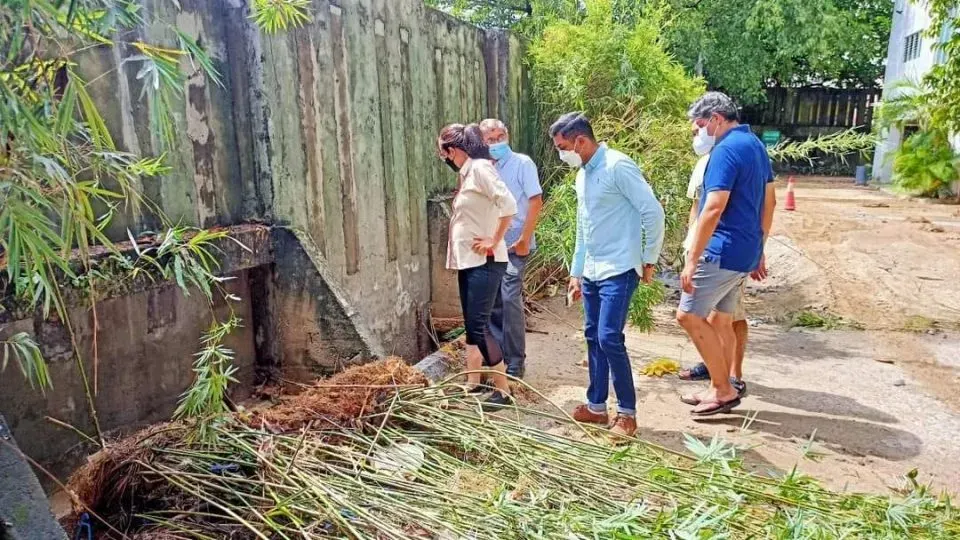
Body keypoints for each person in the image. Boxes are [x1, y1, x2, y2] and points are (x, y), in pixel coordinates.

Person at [552, 112, 665, 437]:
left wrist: (649, 258)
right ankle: (596, 407)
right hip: (592, 270)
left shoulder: (618, 166)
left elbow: (652, 211)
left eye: (563, 148)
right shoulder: (583, 176)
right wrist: (576, 272)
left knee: (609, 337)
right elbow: (583, 227)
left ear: (580, 141)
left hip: (619, 267)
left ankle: (627, 413)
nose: (562, 154)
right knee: (592, 336)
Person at [675, 92, 776, 417]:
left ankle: (722, 389)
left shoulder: (725, 150)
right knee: (722, 319)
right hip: (743, 251)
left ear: (716, 119)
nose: (697, 133)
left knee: (688, 316)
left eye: (699, 126)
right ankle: (723, 383)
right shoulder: (754, 144)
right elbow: (768, 200)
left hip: (721, 250)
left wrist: (693, 258)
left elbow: (713, 207)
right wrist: (759, 247)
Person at [438, 123, 518, 409]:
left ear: (453, 150)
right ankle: (473, 382)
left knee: (480, 325)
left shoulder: (481, 168)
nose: (443, 158)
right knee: (472, 325)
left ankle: (504, 391)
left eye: (443, 152)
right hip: (469, 262)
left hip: (485, 261)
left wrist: (493, 239)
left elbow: (509, 204)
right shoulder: (468, 172)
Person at [477, 118, 543, 379]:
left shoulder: (522, 163)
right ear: (482, 142)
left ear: (507, 136)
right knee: (493, 301)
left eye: (500, 137)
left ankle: (516, 361)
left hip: (515, 243)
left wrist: (525, 238)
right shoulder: (482, 168)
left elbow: (536, 200)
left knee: (509, 297)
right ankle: (498, 358)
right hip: (489, 244)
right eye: (490, 139)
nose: (496, 143)